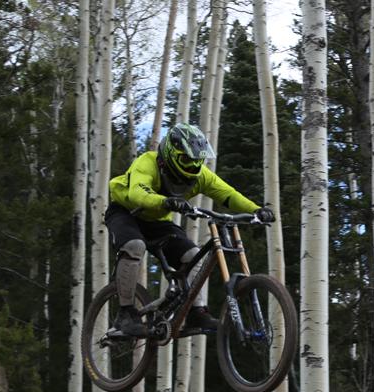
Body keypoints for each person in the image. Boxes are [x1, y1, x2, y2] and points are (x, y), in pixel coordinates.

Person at [106, 123, 274, 337]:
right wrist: (166, 201)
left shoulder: (200, 175)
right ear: (171, 154)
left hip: (157, 221)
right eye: (186, 159)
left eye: (197, 160)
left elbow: (228, 195)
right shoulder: (147, 162)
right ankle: (125, 314)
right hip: (125, 212)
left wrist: (257, 210)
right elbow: (138, 193)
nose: (193, 165)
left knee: (193, 255)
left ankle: (196, 312)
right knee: (134, 245)